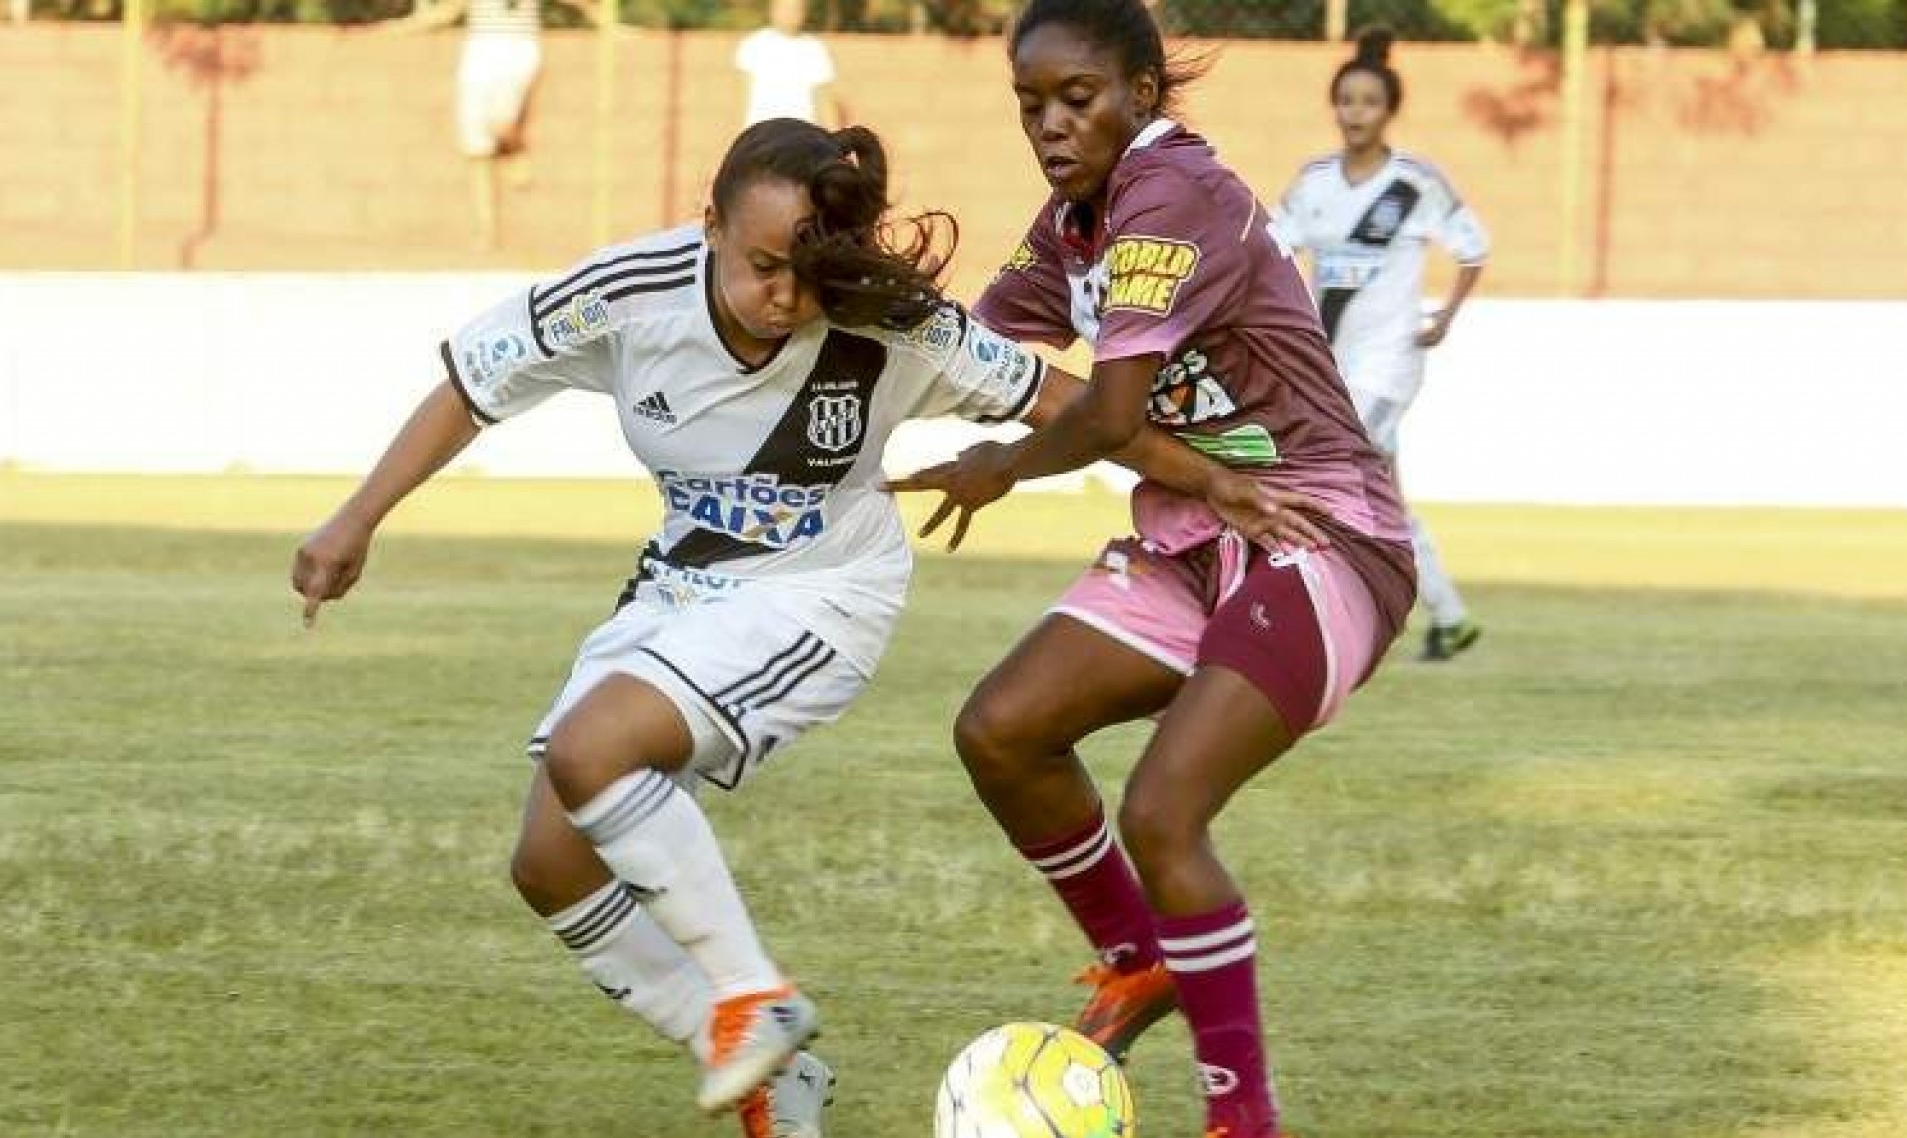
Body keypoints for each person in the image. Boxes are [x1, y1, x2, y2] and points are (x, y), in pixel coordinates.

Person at [291, 117, 1313, 1138]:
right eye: (762, 266)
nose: (785, 296)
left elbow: (1071, 403)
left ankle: (754, 997)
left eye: (807, 271)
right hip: (681, 585)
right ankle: (769, 1073)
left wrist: (1218, 480)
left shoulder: (890, 323)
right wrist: (356, 515)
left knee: (591, 747)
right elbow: (472, 388)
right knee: (550, 861)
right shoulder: (627, 293)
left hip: (823, 590)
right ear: (710, 229)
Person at [885, 3, 1417, 1136]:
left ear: (1140, 91)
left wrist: (1002, 466)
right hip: (1192, 535)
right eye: (1030, 104)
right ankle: (1141, 963)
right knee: (1002, 730)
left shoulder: (1171, 194)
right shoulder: (1074, 221)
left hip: (1321, 532)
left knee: (1165, 810)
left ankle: (1244, 1118)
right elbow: (978, 343)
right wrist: (860, 303)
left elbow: (1109, 409)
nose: (1050, 124)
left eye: (1076, 98)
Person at [1275, 28, 1490, 661]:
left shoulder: (1414, 182)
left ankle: (1303, 617)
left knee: (1322, 473)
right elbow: (1269, 248)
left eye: (1368, 102)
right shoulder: (1314, 181)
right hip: (1329, 366)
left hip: (1391, 362)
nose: (1355, 114)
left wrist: (1445, 316)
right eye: (1346, 101)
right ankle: (1449, 616)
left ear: (1388, 109)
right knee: (1381, 496)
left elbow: (1473, 248)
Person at [390, 0, 603, 251]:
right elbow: (448, 12)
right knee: (476, 147)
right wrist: (405, 27)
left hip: (518, 49)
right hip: (480, 49)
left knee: (501, 123)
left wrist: (609, 25)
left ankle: (514, 147)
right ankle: (487, 228)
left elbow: (584, 4)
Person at [736, 0, 843, 128]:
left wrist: (835, 141)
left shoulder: (816, 49)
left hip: (802, 134)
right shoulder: (753, 45)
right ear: (773, 10)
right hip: (761, 134)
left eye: (796, 9)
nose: (790, 14)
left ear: (804, 13)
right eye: (785, 8)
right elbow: (742, 98)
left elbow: (825, 101)